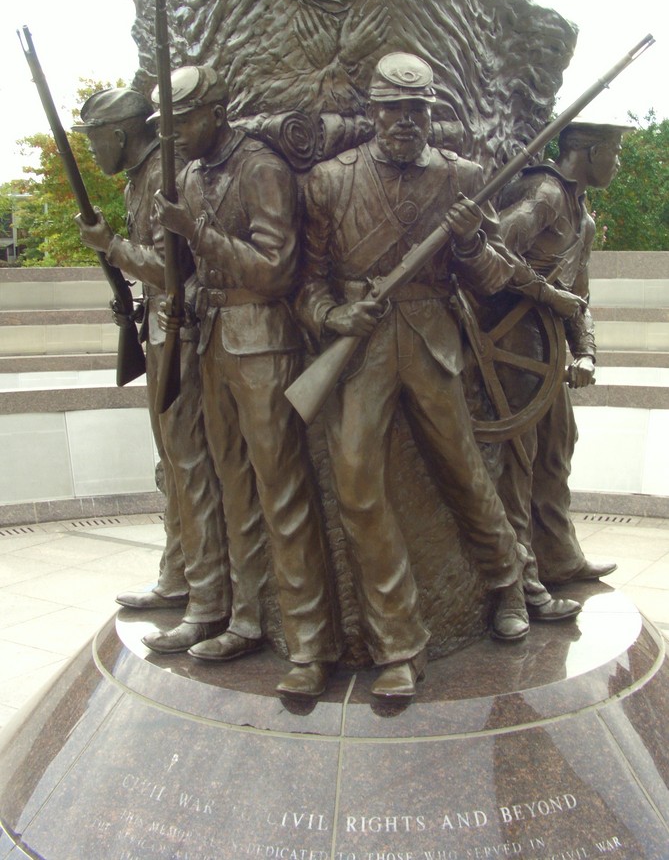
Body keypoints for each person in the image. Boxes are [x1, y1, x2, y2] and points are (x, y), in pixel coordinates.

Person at [296, 52, 527, 699]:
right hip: (360, 348)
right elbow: (305, 286)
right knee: (357, 490)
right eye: (393, 110)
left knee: (460, 468)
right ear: (372, 112)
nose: (404, 122)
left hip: (430, 340)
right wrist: (336, 314)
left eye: (416, 111)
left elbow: (490, 280)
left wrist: (468, 243)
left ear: (431, 117)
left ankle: (506, 582)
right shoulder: (328, 182)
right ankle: (398, 645)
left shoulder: (461, 178)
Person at [152, 65, 340, 698]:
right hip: (211, 341)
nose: (174, 136)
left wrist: (196, 233)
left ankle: (311, 645)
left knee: (281, 493)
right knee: (235, 489)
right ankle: (246, 617)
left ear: (216, 110)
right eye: (166, 128)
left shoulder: (262, 167)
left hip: (262, 341)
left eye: (184, 121)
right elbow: (182, 262)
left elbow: (275, 271)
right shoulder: (191, 173)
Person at [73, 87, 230, 652]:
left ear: (119, 134)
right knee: (172, 465)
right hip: (160, 330)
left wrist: (111, 246)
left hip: (185, 335)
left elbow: (171, 268)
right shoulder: (140, 180)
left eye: (94, 140)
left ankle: (209, 600)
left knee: (191, 468)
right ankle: (178, 574)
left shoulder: (169, 175)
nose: (92, 152)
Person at [494, 119, 631, 587]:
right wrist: (548, 296)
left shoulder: (584, 219)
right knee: (520, 453)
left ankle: (558, 556)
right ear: (588, 152)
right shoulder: (546, 195)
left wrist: (587, 353)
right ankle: (520, 575)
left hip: (548, 345)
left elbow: (581, 297)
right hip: (511, 342)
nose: (618, 162)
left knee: (557, 447)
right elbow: (490, 250)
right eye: (613, 151)